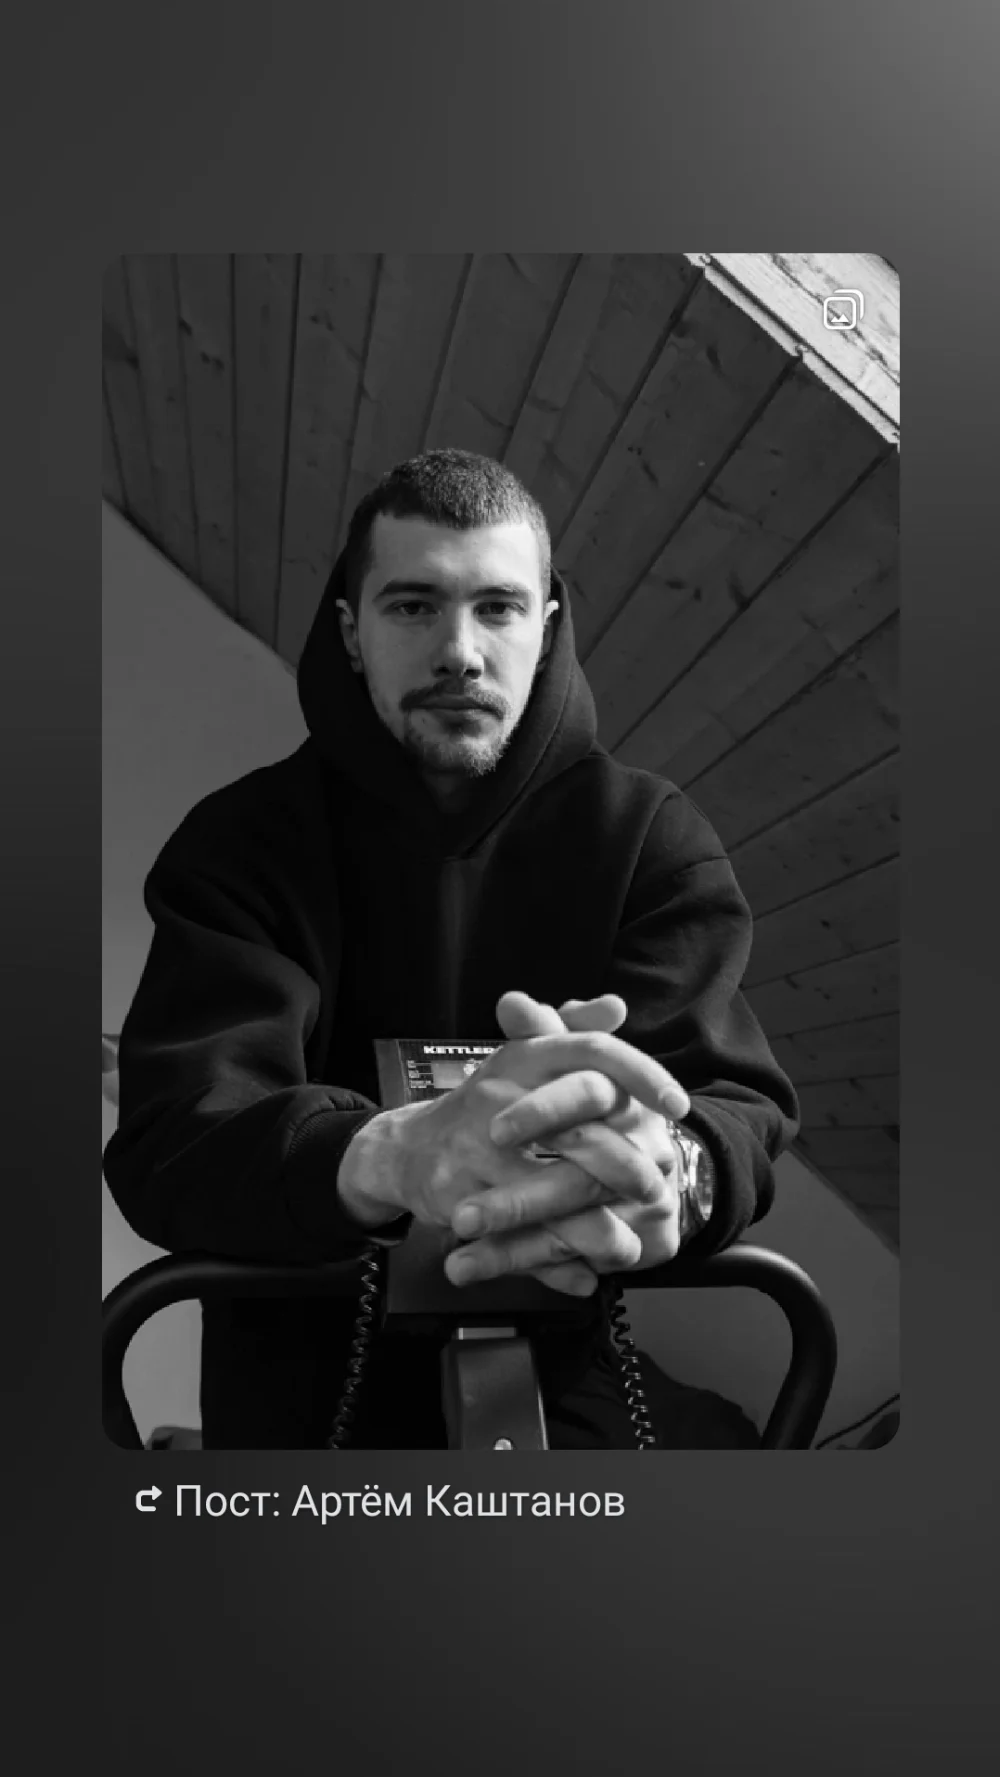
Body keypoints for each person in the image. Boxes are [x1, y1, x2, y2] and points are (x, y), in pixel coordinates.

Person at [103, 448, 798, 1450]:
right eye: (414, 606)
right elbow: (173, 1139)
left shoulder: (652, 837)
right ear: (352, 632)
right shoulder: (239, 845)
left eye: (498, 608)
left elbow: (733, 1104)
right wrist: (395, 1155)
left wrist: (673, 1172)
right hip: (296, 1397)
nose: (460, 652)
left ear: (546, 626)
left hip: (569, 1366)